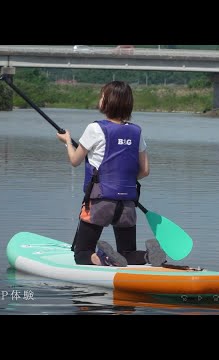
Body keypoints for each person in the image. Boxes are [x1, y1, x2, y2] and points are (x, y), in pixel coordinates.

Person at [56, 80, 166, 267]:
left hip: (100, 202)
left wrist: (67, 141)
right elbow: (145, 171)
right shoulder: (136, 132)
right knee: (128, 253)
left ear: (107, 102)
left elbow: (75, 160)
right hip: (128, 204)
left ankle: (104, 258)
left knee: (81, 253)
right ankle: (147, 256)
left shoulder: (95, 128)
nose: (100, 99)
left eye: (102, 96)